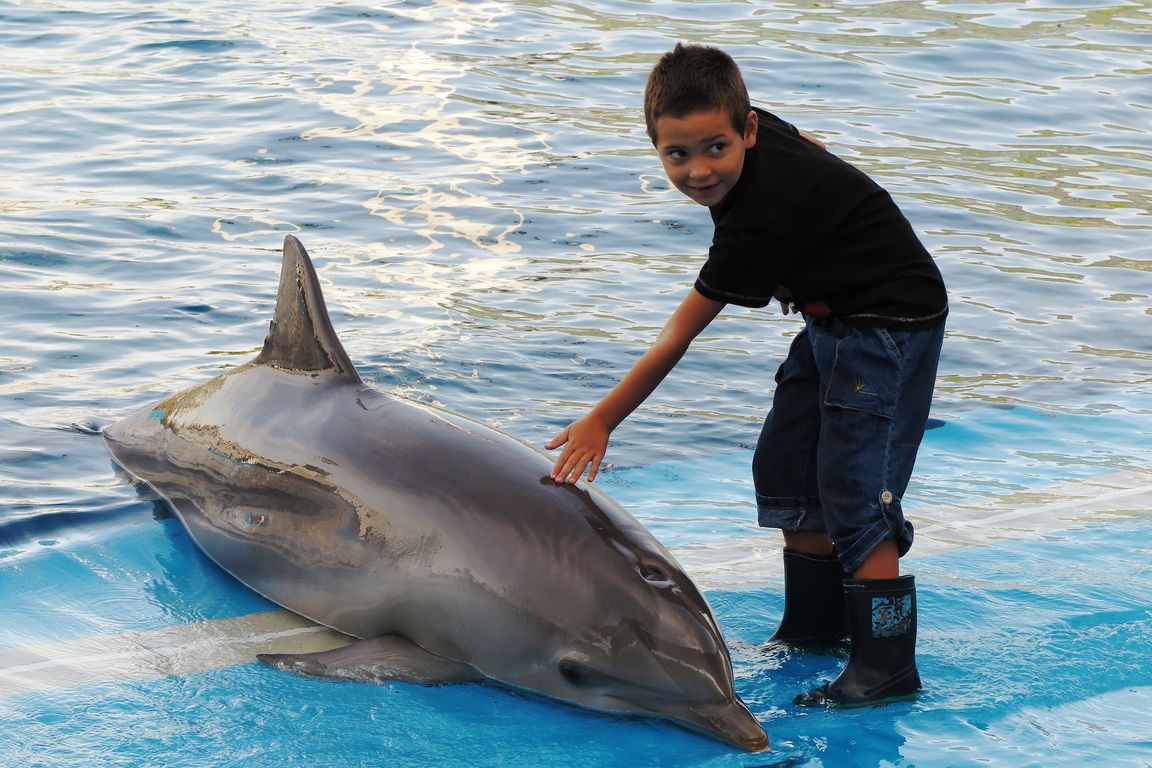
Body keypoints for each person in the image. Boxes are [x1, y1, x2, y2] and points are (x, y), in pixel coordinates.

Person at [546, 43, 947, 707]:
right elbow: (812, 149)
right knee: (787, 465)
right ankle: (815, 630)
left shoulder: (756, 222)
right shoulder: (757, 137)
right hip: (835, 312)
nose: (699, 170)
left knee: (858, 494)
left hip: (887, 324)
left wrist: (603, 419)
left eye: (716, 149)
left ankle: (887, 665)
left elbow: (679, 335)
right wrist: (807, 256)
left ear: (748, 130)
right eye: (678, 154)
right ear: (654, 144)